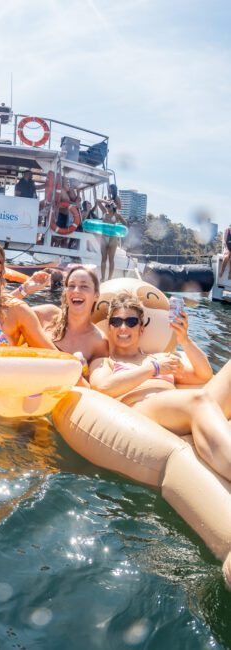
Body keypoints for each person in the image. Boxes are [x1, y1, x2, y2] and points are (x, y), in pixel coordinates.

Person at [89, 292, 231, 481]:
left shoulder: (159, 357)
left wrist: (184, 340)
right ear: (109, 328)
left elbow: (203, 375)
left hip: (178, 411)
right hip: (143, 412)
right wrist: (153, 369)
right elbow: (102, 388)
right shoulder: (105, 362)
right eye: (116, 322)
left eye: (131, 322)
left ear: (141, 329)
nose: (123, 327)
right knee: (198, 399)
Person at [33, 266, 108, 367]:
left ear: (96, 295)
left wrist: (84, 371)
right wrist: (25, 289)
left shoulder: (99, 341)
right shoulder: (46, 314)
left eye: (84, 286)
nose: (76, 290)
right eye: (71, 285)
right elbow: (6, 312)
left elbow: (96, 379)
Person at [96, 188, 127, 281]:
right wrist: (107, 201)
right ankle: (102, 278)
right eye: (106, 205)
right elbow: (97, 200)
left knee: (111, 259)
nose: (106, 207)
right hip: (104, 237)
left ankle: (109, 278)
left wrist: (117, 227)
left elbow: (125, 223)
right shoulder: (105, 212)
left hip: (113, 238)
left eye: (108, 206)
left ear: (112, 207)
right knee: (103, 259)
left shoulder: (117, 215)